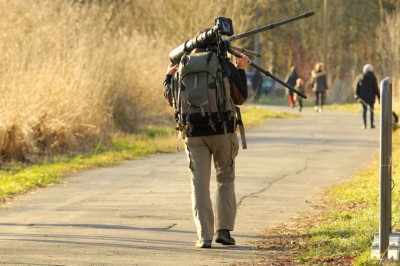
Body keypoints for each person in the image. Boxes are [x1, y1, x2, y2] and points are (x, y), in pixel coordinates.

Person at [163, 43, 250, 249]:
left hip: (193, 134)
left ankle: (204, 237)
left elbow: (170, 98)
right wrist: (241, 70)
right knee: (225, 180)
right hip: (222, 132)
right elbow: (240, 97)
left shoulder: (184, 65)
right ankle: (224, 232)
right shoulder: (223, 64)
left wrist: (168, 76)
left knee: (199, 185)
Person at [355, 64, 380, 129]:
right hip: (371, 97)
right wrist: (379, 97)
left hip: (363, 98)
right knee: (371, 110)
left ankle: (364, 124)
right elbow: (375, 88)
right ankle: (371, 124)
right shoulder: (373, 77)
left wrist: (357, 95)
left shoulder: (361, 77)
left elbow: (357, 87)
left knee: (364, 110)